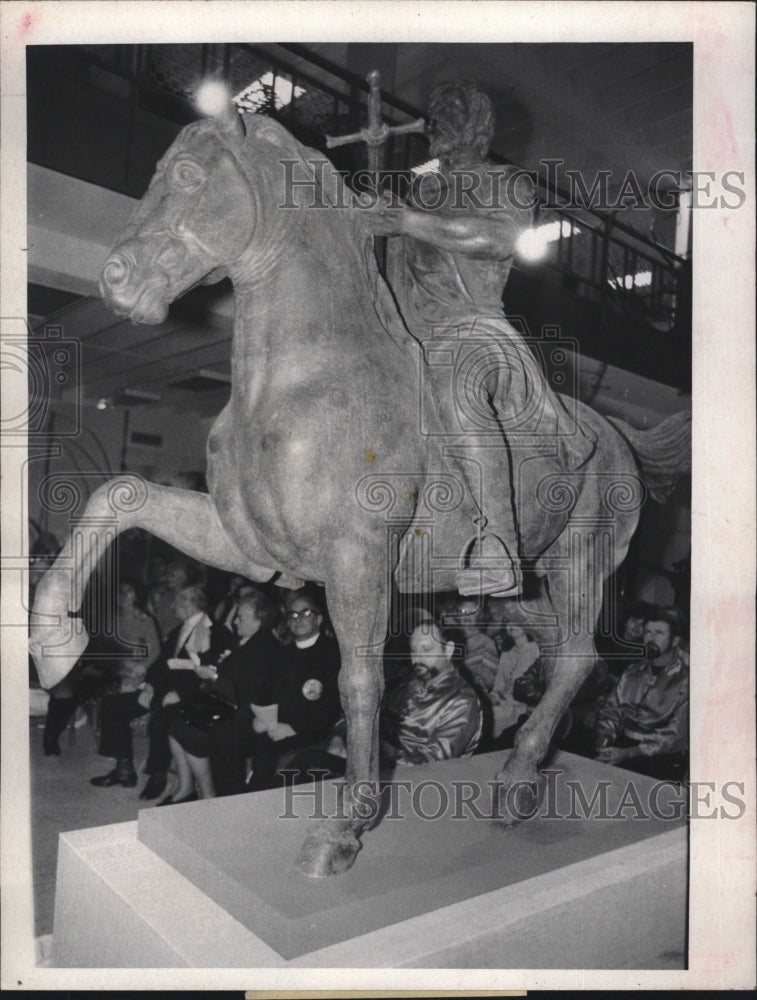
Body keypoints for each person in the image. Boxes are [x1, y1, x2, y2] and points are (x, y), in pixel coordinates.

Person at [361, 79, 597, 597]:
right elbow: (390, 260)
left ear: (474, 127)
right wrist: (373, 217)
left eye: (446, 115)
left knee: (458, 383)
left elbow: (495, 238)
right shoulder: (421, 190)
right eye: (434, 115)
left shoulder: (506, 182)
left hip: (475, 327)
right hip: (413, 328)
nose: (434, 125)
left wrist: (406, 219)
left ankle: (498, 548)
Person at [89, 584, 232, 796]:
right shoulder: (179, 630)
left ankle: (158, 775)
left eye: (177, 603)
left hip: (192, 697)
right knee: (113, 706)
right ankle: (124, 769)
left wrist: (180, 694)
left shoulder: (216, 631)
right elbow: (159, 664)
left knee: (160, 721)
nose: (173, 607)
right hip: (163, 691)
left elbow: (213, 672)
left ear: (189, 604)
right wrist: (150, 686)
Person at [212, 588, 342, 794]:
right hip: (273, 724)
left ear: (319, 619)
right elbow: (265, 691)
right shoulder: (283, 653)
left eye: (306, 613)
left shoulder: (332, 655)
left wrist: (293, 728)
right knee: (226, 735)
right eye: (293, 614)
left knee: (265, 754)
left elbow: (331, 707)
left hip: (308, 729)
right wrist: (261, 718)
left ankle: (255, 805)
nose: (298, 619)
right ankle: (231, 799)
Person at [163, 588, 284, 804]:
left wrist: (215, 676)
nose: (236, 622)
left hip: (245, 713)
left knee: (190, 732)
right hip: (224, 701)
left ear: (260, 621)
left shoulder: (265, 649)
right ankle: (187, 786)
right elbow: (230, 672)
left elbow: (244, 695)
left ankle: (209, 794)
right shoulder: (250, 639)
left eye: (241, 618)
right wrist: (214, 666)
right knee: (176, 722)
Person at [593, 607, 689, 781]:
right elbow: (612, 711)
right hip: (621, 748)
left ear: (675, 641)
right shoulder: (632, 672)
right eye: (648, 632)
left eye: (659, 633)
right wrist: (604, 740)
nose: (651, 638)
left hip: (660, 759)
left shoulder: (686, 681)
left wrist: (628, 753)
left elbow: (674, 736)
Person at [380, 621, 482, 766]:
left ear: (448, 650)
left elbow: (432, 764)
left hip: (424, 782)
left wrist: (381, 751)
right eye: (414, 650)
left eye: (426, 649)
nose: (418, 658)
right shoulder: (407, 684)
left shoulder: (462, 701)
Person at [490, 624, 542, 745]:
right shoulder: (506, 654)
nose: (512, 625)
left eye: (517, 622)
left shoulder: (536, 650)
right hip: (506, 707)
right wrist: (494, 697)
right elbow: (498, 687)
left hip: (528, 710)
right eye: (509, 622)